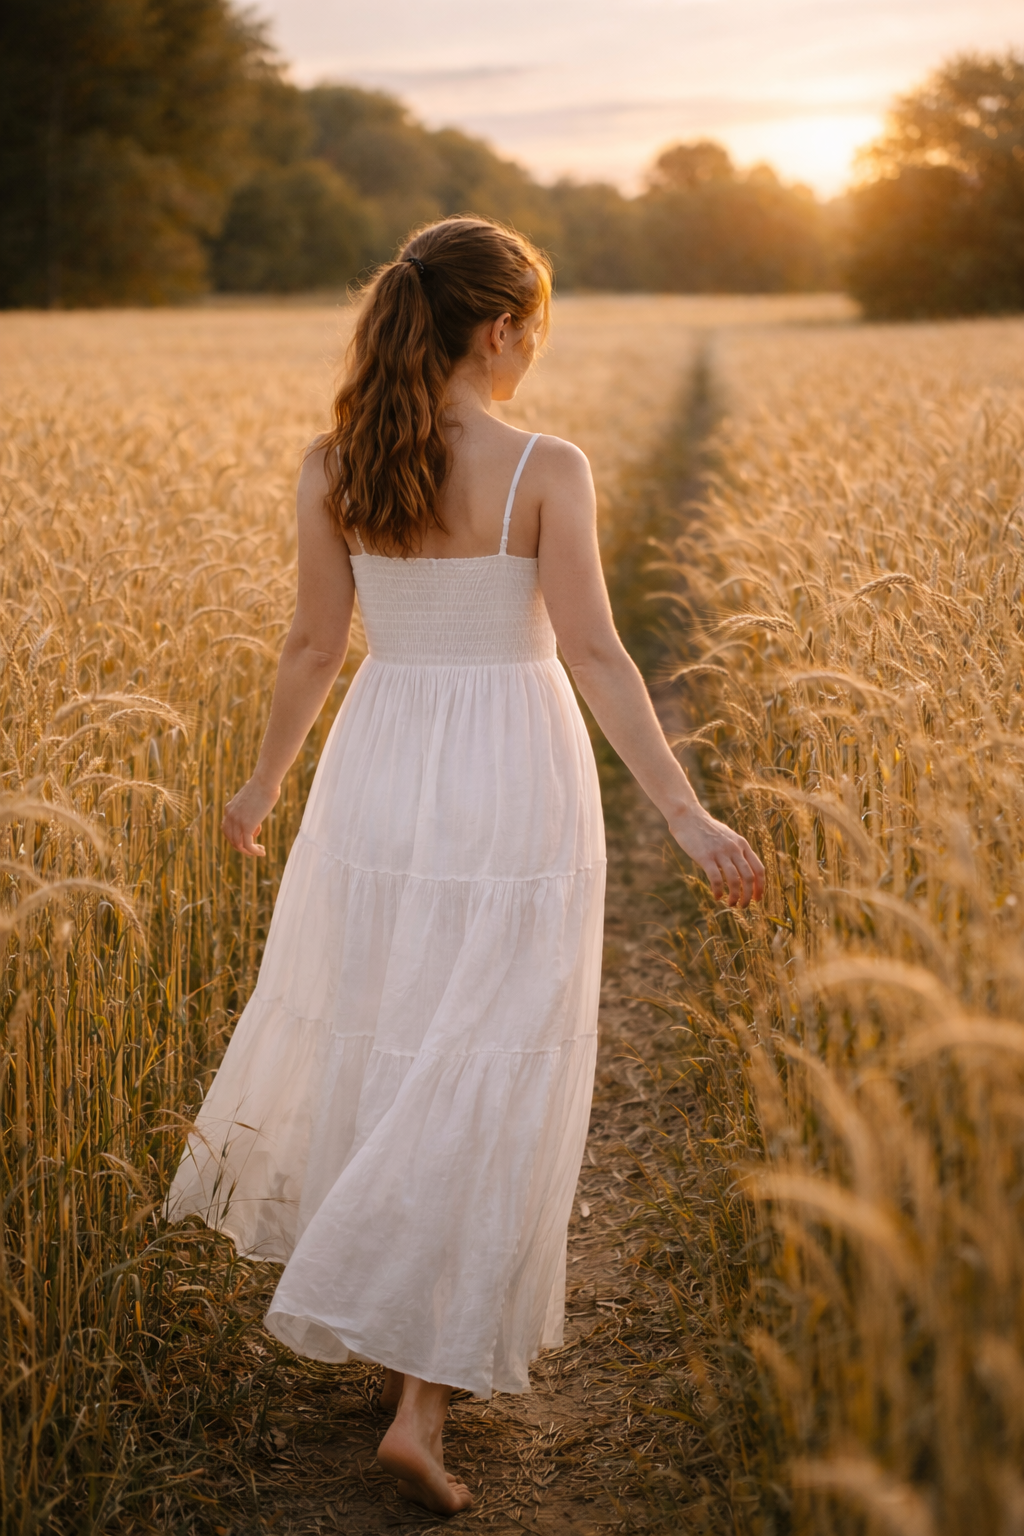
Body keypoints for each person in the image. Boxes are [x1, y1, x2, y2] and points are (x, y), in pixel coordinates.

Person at [166, 216, 764, 1516]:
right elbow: (600, 655)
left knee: (392, 1032)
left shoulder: (339, 462)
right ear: (499, 330)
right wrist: (682, 815)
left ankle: (383, 1315)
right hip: (513, 771)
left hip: (379, 765)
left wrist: (262, 783)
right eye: (532, 323)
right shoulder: (547, 464)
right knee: (488, 1049)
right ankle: (423, 1394)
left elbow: (314, 649)